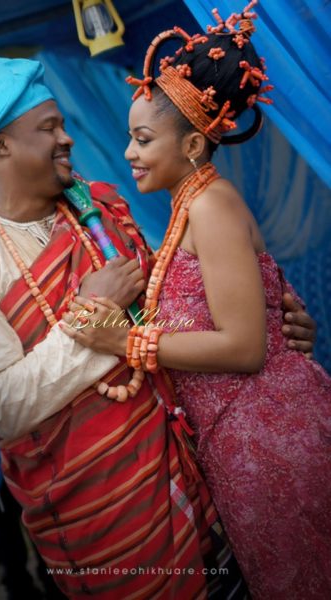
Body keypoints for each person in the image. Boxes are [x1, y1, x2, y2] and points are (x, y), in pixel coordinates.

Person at [0, 55, 315, 597]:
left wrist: (272, 323)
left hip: (203, 481)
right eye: (48, 128)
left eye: (64, 124)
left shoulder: (101, 207)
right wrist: (94, 320)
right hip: (106, 521)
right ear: (0, 146)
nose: (67, 139)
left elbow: (170, 305)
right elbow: (1, 405)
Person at [59, 4, 331, 600]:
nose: (128, 152)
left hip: (271, 440)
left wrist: (124, 341)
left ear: (191, 145)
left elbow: (244, 347)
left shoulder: (213, 206)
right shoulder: (189, 209)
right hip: (240, 445)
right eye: (131, 137)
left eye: (142, 138)